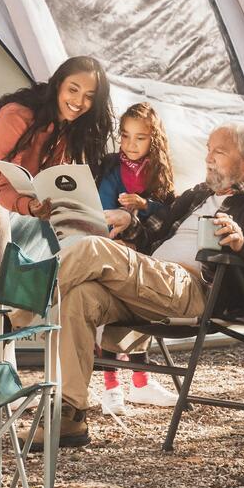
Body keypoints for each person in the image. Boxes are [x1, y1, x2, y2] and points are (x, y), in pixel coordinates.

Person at [31, 121, 244, 450]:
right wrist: (131, 222)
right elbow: (153, 231)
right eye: (208, 150)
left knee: (93, 250)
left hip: (194, 289)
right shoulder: (197, 195)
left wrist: (242, 243)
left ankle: (13, 315)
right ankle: (70, 419)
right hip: (148, 282)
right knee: (79, 297)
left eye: (219, 152)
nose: (208, 158)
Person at [0, 55, 115, 218]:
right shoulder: (17, 115)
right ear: (58, 84)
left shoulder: (66, 129)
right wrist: (29, 206)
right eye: (73, 89)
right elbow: (4, 186)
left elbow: (47, 182)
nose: (79, 101)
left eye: (89, 96)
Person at [94, 103, 179, 416]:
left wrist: (144, 205)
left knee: (140, 311)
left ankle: (142, 382)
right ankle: (112, 385)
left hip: (143, 253)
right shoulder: (111, 167)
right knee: (109, 314)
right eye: (125, 136)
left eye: (140, 138)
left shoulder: (159, 170)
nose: (130, 144)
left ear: (153, 140)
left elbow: (170, 213)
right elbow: (101, 207)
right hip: (112, 248)